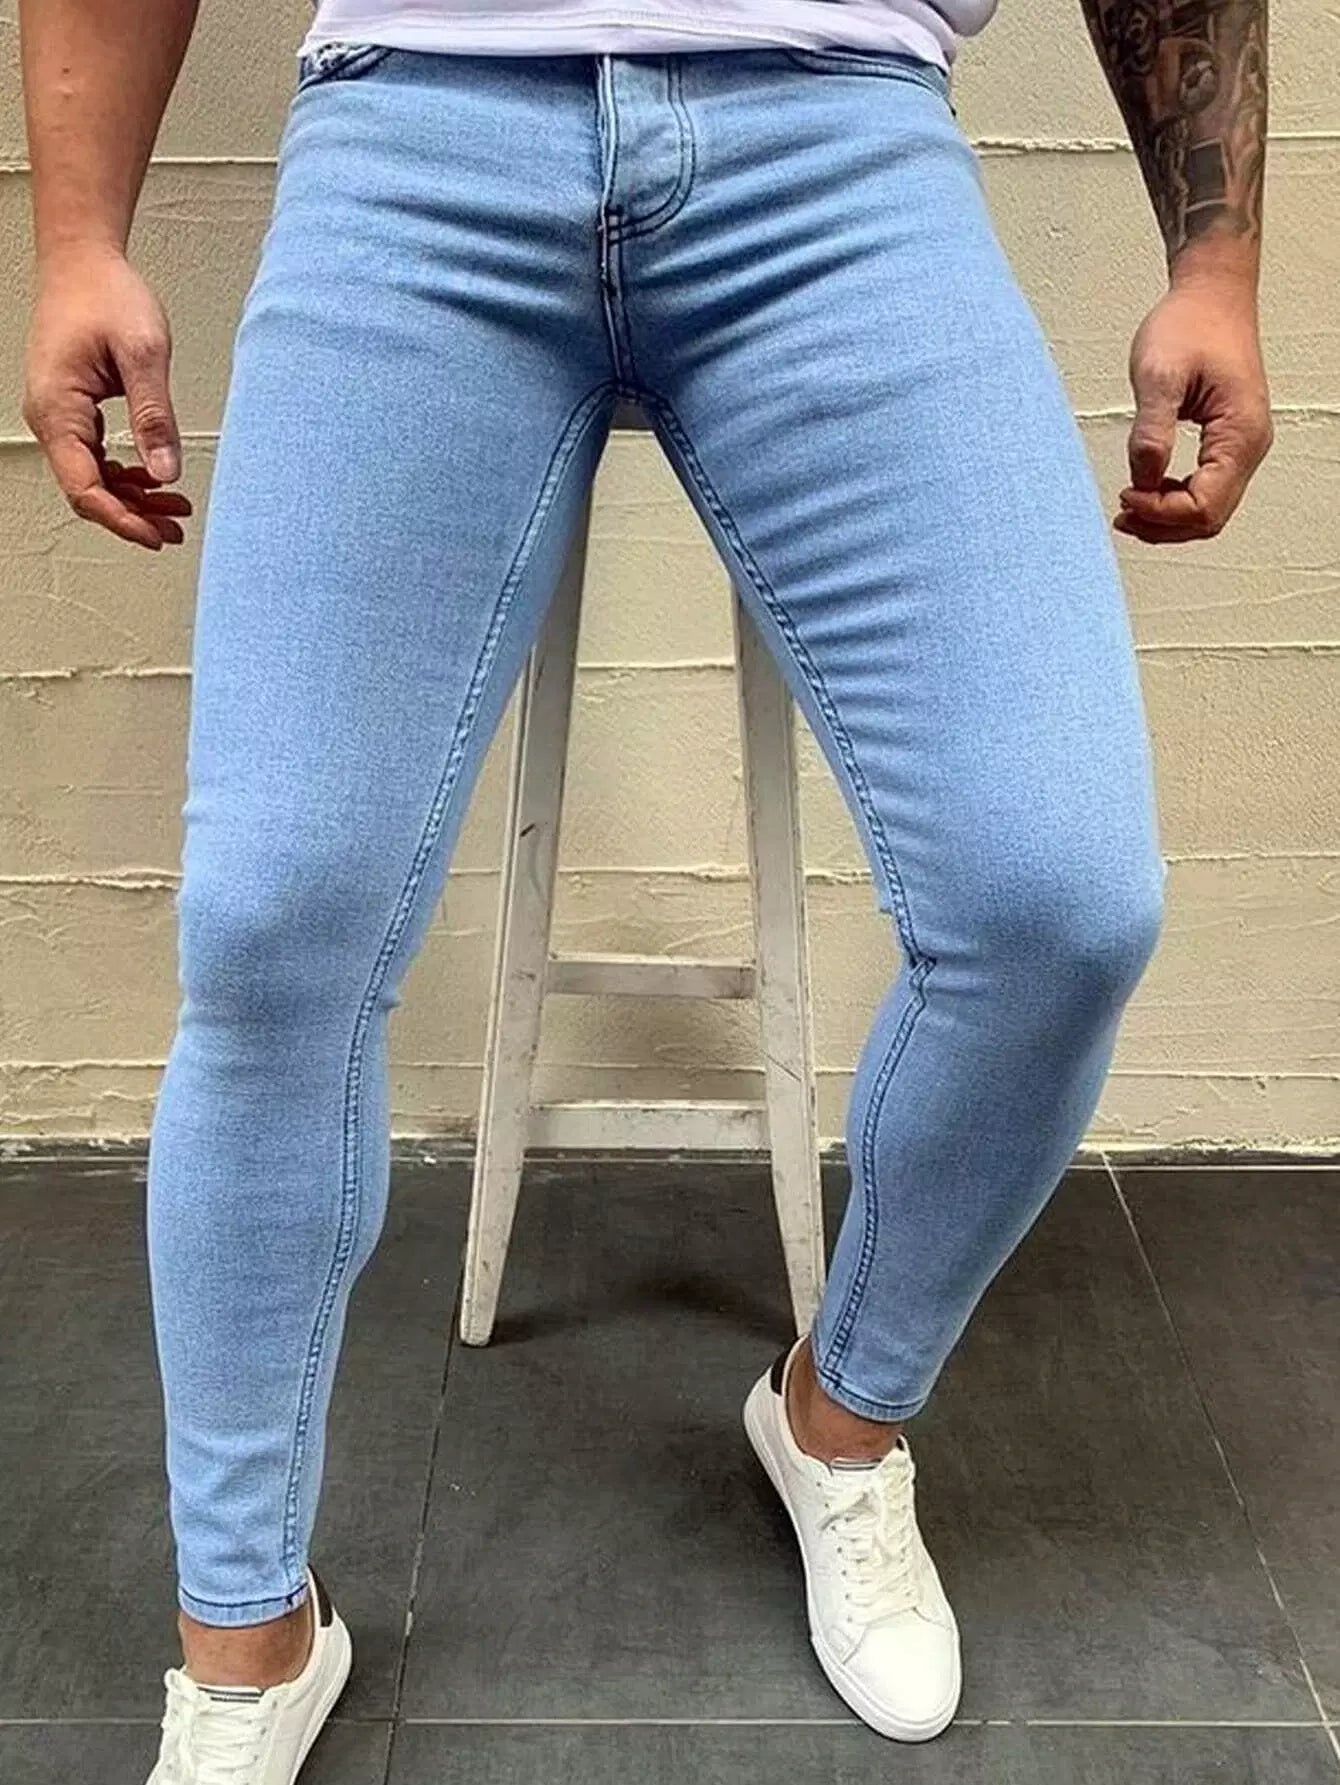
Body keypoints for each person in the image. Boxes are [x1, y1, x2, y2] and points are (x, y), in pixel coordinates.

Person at [19, 0, 1271, 1773]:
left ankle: (839, 1420)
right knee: (273, 926)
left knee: (1056, 899)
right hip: (417, 132)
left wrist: (1213, 263)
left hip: (838, 138)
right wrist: (80, 236)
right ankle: (245, 1641)